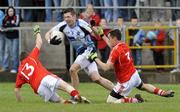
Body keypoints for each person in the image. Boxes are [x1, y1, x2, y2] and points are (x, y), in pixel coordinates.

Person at [88, 29, 175, 103]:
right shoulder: (124, 45)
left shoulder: (115, 51)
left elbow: (106, 67)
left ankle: (135, 100)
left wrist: (95, 58)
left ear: (114, 38)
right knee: (143, 86)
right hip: (134, 74)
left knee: (110, 102)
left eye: (109, 38)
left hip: (126, 81)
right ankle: (163, 92)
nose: (108, 40)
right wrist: (102, 35)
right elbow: (111, 45)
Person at [15, 25, 90, 104]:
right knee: (64, 86)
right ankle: (76, 96)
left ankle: (73, 103)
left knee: (59, 101)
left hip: (39, 88)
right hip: (44, 77)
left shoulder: (20, 71)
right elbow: (39, 42)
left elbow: (16, 90)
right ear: (27, 56)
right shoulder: (31, 58)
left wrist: (20, 102)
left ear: (20, 61)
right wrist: (37, 32)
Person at [45, 8, 114, 91]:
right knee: (96, 78)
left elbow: (97, 36)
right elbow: (47, 33)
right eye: (65, 17)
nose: (67, 19)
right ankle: (117, 92)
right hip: (81, 53)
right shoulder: (62, 25)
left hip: (88, 50)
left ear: (74, 17)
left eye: (68, 17)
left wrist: (93, 28)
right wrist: (50, 41)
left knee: (72, 70)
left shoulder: (82, 24)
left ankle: (75, 96)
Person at [1, 6, 19, 73]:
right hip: (8, 37)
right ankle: (5, 67)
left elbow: (16, 25)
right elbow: (3, 25)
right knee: (8, 52)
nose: (10, 12)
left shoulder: (16, 17)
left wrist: (8, 25)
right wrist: (10, 25)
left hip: (15, 37)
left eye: (11, 11)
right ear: (7, 12)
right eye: (9, 11)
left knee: (14, 53)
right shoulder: (5, 18)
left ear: (13, 11)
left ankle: (15, 67)